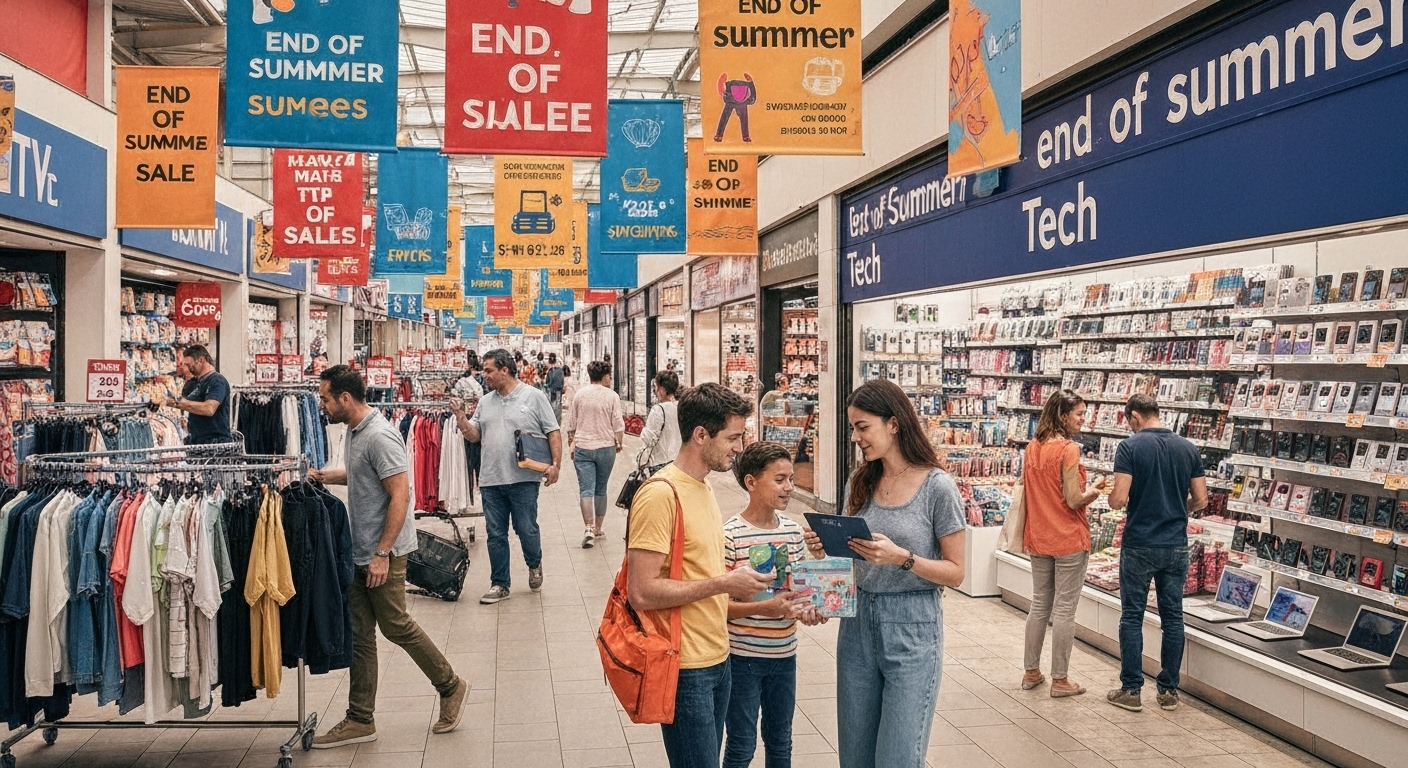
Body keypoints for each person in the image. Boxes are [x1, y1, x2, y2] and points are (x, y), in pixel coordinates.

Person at [801, 379, 966, 768]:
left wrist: (901, 558)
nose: (856, 437)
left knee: (898, 757)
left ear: (893, 423)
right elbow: (850, 561)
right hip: (857, 628)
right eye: (853, 428)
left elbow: (956, 572)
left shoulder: (938, 488)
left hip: (913, 626)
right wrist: (825, 554)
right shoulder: (860, 482)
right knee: (855, 757)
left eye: (863, 427)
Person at [307, 365, 468, 747]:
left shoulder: (380, 435)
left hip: (384, 551)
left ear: (345, 398)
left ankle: (451, 685)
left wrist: (382, 554)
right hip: (360, 549)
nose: (322, 405)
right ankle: (361, 718)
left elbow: (401, 494)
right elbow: (364, 477)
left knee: (395, 624)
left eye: (325, 398)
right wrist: (325, 476)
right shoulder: (355, 431)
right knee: (361, 634)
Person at [627, 383, 774, 768]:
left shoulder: (703, 487)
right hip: (684, 667)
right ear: (700, 435)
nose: (740, 447)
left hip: (718, 659)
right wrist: (724, 583)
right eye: (733, 437)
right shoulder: (660, 494)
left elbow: (697, 568)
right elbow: (641, 591)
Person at [723, 441, 826, 768]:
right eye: (779, 479)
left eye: (791, 479)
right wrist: (762, 609)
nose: (789, 488)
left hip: (785, 656)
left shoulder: (794, 532)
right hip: (742, 659)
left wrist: (811, 609)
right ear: (751, 482)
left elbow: (796, 593)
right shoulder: (730, 534)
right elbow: (716, 606)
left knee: (781, 741)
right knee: (741, 745)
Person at [1106, 393, 1207, 713]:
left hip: (1139, 543)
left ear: (1134, 417)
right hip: (1175, 543)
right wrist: (1180, 510)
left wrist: (1108, 497)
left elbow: (1119, 498)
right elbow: (1202, 499)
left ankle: (1132, 690)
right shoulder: (1188, 448)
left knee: (1132, 617)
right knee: (1173, 617)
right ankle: (1168, 691)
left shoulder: (1130, 447)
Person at [451, 348, 561, 604]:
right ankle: (500, 583)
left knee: (526, 529)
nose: (484, 375)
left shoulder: (533, 397)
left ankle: (534, 563)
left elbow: (553, 431)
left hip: (524, 479)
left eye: (489, 370)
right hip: (491, 479)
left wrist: (556, 464)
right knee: (495, 534)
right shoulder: (485, 401)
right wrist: (461, 419)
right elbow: (475, 435)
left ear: (505, 369)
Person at [1021, 390, 1106, 698]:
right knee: (1065, 609)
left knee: (1039, 603)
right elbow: (1073, 499)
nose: (1084, 418)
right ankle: (1060, 680)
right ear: (1062, 416)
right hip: (1068, 537)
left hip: (1039, 535)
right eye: (1079, 413)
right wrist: (1094, 490)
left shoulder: (1032, 447)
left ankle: (1031, 671)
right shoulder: (1068, 449)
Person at [564, 360, 624, 548]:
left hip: (583, 447)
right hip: (606, 448)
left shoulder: (580, 395)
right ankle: (598, 528)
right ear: (605, 377)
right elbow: (618, 425)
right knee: (601, 489)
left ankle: (588, 527)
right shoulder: (612, 396)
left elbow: (571, 425)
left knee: (586, 490)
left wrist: (571, 444)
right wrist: (619, 443)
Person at [164, 344, 233, 446]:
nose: (186, 368)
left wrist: (180, 404)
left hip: (215, 443)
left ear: (201, 360)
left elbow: (209, 409)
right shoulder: (192, 383)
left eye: (189, 364)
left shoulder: (217, 381)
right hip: (196, 441)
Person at [639, 370, 683, 468]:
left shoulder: (658, 410)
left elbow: (649, 440)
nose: (655, 391)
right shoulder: (681, 407)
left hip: (660, 463)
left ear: (662, 390)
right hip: (679, 462)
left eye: (656, 387)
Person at [546, 352, 566, 422]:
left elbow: (547, 382)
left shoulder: (549, 370)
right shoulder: (560, 370)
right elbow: (562, 381)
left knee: (550, 408)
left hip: (550, 391)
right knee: (557, 410)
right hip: (558, 392)